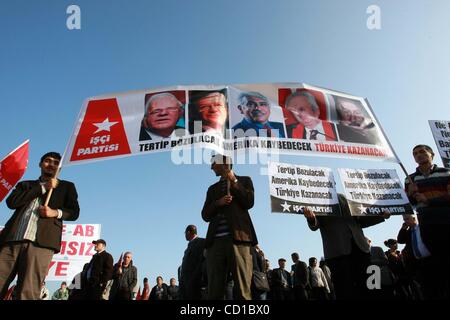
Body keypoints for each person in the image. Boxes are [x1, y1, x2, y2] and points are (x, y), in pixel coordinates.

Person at [0, 151, 80, 300]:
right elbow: (12, 203)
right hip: (12, 240)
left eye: (56, 163)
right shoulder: (26, 185)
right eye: (48, 161)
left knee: (28, 290)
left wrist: (55, 212)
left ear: (59, 168)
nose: (51, 165)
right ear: (40, 164)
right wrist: (43, 188)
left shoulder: (67, 187)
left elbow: (74, 212)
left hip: (41, 244)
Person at [303, 193, 389, 299]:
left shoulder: (344, 197)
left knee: (369, 287)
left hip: (360, 248)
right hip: (337, 253)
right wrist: (311, 219)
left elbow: (360, 220)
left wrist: (380, 216)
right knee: (345, 290)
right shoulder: (316, 200)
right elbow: (315, 225)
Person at [201, 154, 257, 300]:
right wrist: (217, 203)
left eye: (213, 163)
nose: (211, 167)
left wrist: (233, 180)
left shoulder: (245, 180)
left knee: (243, 290)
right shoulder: (212, 189)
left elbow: (249, 202)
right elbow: (205, 215)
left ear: (223, 163)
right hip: (215, 244)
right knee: (214, 291)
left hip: (239, 241)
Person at [405, 144, 450, 298]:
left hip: (446, 221)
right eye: (415, 153)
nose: (418, 155)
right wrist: (410, 195)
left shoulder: (446, 172)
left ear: (432, 154)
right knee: (437, 266)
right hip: (427, 225)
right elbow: (411, 203)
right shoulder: (410, 179)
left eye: (422, 152)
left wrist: (429, 200)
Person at [179, 224, 206, 300]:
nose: (185, 236)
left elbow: (201, 261)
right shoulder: (188, 247)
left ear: (188, 232)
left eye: (185, 233)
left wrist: (194, 278)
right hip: (185, 283)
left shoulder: (201, 242)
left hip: (194, 282)